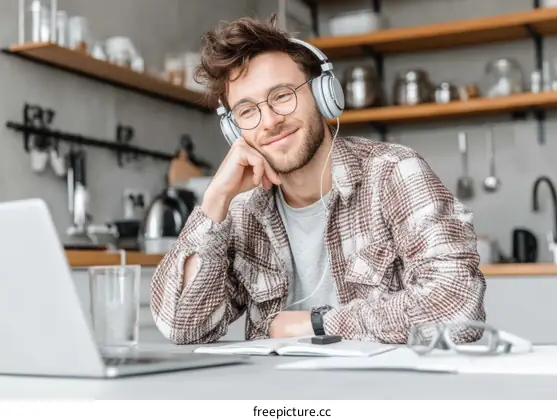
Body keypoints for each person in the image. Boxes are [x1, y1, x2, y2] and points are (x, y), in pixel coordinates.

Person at [150, 14, 486, 345]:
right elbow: (181, 327)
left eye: (282, 96)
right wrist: (214, 202)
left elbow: (457, 307)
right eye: (248, 111)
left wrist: (316, 324)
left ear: (324, 94)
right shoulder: (242, 212)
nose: (268, 122)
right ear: (233, 128)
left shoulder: (394, 173)